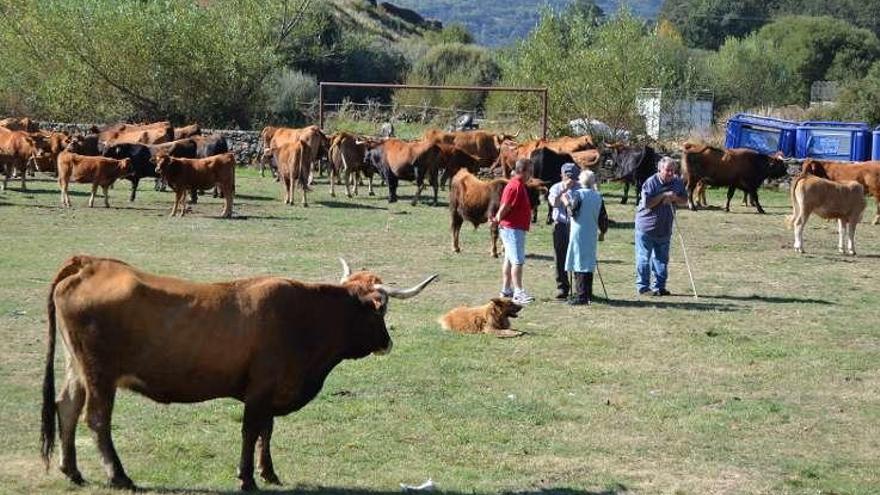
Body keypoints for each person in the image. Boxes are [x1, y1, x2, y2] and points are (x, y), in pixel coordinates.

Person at [634, 156, 688, 296]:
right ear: (660, 169)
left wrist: (675, 198)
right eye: (668, 170)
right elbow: (647, 204)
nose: (671, 173)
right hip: (646, 227)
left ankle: (659, 287)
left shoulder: (677, 182)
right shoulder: (651, 183)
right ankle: (643, 287)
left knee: (662, 259)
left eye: (673, 170)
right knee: (644, 258)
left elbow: (685, 200)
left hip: (665, 227)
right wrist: (663, 196)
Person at [490, 158, 534, 304]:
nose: (531, 174)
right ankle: (518, 292)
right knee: (518, 261)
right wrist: (497, 218)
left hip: (514, 228)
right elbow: (506, 205)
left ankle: (506, 289)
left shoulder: (518, 185)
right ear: (523, 170)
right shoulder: (515, 186)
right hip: (513, 229)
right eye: (530, 170)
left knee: (509, 260)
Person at [561, 169, 608, 305]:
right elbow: (603, 217)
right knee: (588, 261)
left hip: (578, 232)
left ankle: (581, 295)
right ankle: (588, 293)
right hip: (591, 231)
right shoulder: (598, 196)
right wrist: (602, 232)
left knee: (578, 262)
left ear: (581, 181)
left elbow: (572, 213)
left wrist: (566, 202)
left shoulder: (578, 194)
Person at [547, 163, 581, 299]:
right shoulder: (556, 187)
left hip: (577, 226)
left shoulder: (581, 188)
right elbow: (553, 204)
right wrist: (563, 191)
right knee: (560, 256)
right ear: (561, 175)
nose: (569, 179)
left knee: (578, 256)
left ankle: (580, 288)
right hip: (560, 225)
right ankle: (562, 287)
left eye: (572, 177)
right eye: (567, 176)